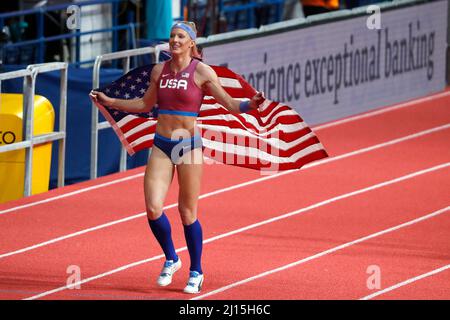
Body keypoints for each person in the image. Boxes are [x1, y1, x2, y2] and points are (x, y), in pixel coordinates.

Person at [90, 21, 264, 294]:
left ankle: (196, 271)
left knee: (187, 212)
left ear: (191, 43)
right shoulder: (160, 71)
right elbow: (145, 105)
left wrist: (249, 105)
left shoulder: (202, 72)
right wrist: (111, 102)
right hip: (161, 145)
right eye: (172, 36)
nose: (174, 40)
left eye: (180, 36)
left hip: (188, 147)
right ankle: (172, 258)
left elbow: (229, 103)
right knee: (153, 207)